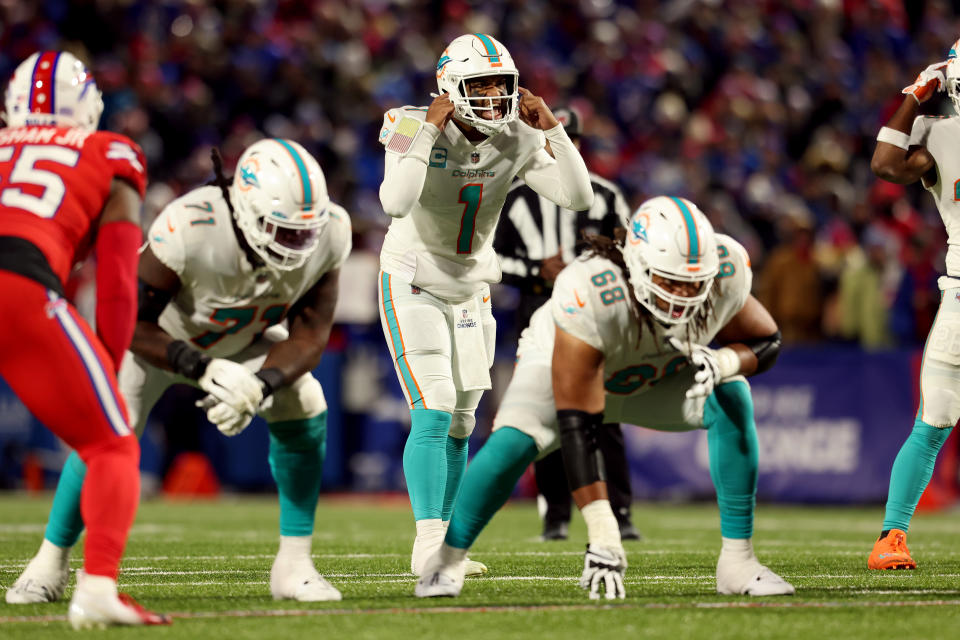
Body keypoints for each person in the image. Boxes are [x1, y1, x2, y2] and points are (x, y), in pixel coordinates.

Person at [6, 138, 351, 603]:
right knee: (110, 430)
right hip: (159, 343)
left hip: (239, 342)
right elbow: (126, 318)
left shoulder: (331, 230)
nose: (299, 245)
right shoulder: (192, 223)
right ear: (246, 209)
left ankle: (294, 565)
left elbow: (310, 335)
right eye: (284, 231)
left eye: (306, 233)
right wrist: (201, 368)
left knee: (306, 399)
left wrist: (260, 383)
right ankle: (50, 560)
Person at [416, 196, 794, 600]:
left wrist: (724, 361)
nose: (683, 296)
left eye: (694, 283)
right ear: (638, 267)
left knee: (732, 392)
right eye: (670, 281)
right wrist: (603, 533)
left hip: (650, 375)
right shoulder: (592, 291)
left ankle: (739, 562)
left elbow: (766, 338)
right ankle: (446, 561)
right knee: (513, 443)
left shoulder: (725, 271)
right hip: (559, 365)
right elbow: (578, 425)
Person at [376, 33, 594, 576]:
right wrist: (429, 129)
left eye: (502, 85)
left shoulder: (518, 136)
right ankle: (426, 544)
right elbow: (394, 202)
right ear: (450, 87)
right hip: (414, 279)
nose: (496, 97)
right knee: (435, 404)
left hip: (472, 285)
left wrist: (555, 134)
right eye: (482, 85)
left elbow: (579, 197)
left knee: (463, 419)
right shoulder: (407, 123)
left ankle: (447, 543)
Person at [0, 51, 169, 627]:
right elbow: (119, 281)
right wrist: (110, 363)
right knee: (112, 444)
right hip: (17, 284)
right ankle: (97, 588)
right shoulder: (108, 151)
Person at [495, 105, 638, 541]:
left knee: (607, 410)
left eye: (569, 139)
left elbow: (633, 252)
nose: (562, 147)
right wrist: (537, 270)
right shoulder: (515, 196)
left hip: (596, 312)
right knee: (543, 408)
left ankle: (621, 512)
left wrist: (588, 269)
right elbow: (491, 257)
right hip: (539, 312)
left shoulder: (606, 195)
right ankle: (555, 514)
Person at [867, 42, 960, 570]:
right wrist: (911, 99)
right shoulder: (937, 134)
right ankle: (891, 537)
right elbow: (885, 164)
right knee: (935, 419)